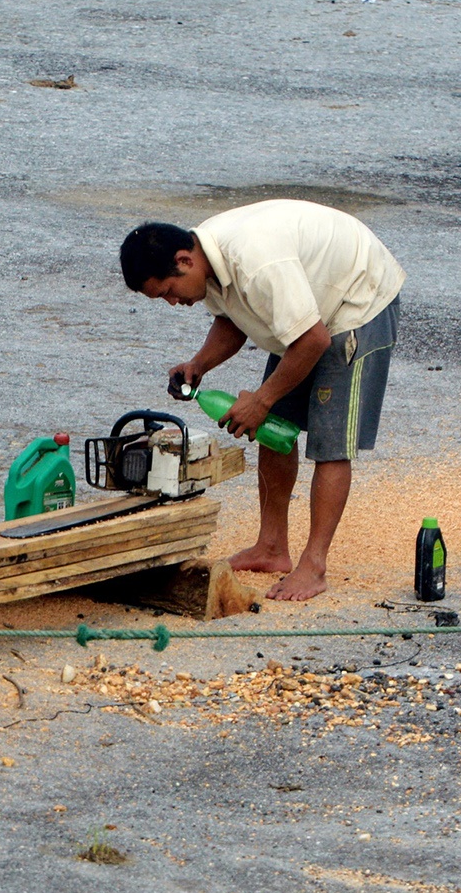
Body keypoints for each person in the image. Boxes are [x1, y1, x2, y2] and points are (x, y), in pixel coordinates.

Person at [120, 199, 404, 601]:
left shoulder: (255, 262)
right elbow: (233, 317)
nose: (173, 303)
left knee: (330, 444)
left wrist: (262, 399)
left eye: (168, 292)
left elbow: (313, 340)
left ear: (184, 260)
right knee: (275, 432)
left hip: (357, 301)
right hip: (306, 311)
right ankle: (271, 547)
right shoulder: (207, 260)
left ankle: (314, 566)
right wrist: (200, 364)